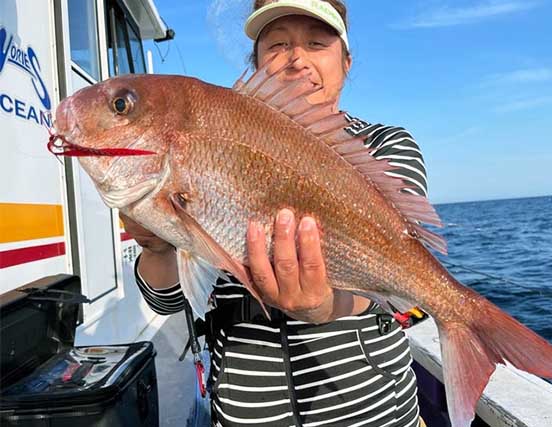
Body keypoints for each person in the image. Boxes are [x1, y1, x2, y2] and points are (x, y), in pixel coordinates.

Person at [123, 1, 430, 425]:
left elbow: (397, 277)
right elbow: (168, 298)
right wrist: (160, 243)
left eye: (317, 43)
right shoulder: (214, 138)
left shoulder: (383, 147)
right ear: (257, 63)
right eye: (278, 44)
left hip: (372, 412)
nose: (297, 57)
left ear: (346, 61)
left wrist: (324, 307)